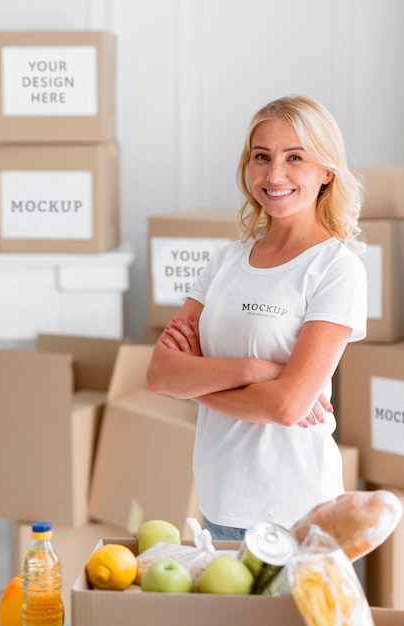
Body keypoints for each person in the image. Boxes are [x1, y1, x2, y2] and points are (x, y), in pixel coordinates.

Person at [146, 94, 367, 540]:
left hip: (297, 513)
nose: (274, 174)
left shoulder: (336, 269)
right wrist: (256, 372)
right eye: (261, 157)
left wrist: (197, 384)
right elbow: (159, 374)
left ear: (326, 173)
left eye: (295, 158)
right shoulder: (225, 262)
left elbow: (287, 407)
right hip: (218, 502)